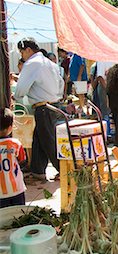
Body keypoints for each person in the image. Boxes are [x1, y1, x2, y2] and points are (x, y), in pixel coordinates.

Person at [14, 38, 64, 180]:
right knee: (39, 138)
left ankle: (64, 170)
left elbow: (21, 90)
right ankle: (37, 170)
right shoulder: (50, 63)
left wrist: (16, 96)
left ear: (28, 50)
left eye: (22, 52)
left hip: (43, 107)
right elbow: (60, 84)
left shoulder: (31, 63)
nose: (22, 56)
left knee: (48, 140)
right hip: (53, 104)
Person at [0, 108, 27, 208]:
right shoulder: (15, 144)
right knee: (19, 216)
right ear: (10, 127)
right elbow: (22, 160)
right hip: (16, 189)